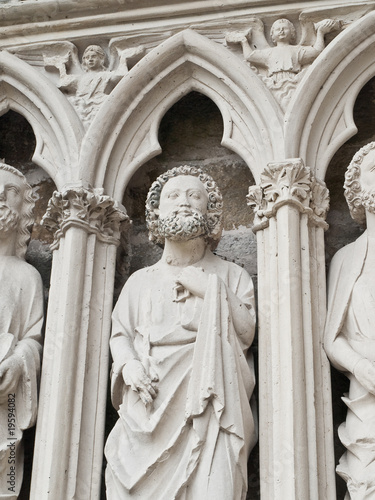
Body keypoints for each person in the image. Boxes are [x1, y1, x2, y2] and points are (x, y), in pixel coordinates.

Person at [105, 165, 256, 499]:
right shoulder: (140, 281)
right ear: (156, 213)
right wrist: (129, 366)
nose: (183, 202)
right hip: (148, 406)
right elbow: (120, 335)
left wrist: (212, 289)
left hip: (213, 409)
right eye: (173, 196)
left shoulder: (231, 276)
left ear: (210, 210)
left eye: (194, 195)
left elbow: (246, 334)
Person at [324, 142, 375, 499]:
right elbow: (332, 337)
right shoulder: (346, 258)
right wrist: (361, 367)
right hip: (367, 393)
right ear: (358, 187)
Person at [0, 163, 43, 500]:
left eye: (10, 191)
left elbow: (35, 337)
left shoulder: (26, 276)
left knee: (7, 480)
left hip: (6, 399)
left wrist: (18, 362)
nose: (0, 196)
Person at [238, 18, 336, 84]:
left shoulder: (297, 50)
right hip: (274, 81)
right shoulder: (269, 52)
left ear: (292, 33)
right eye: (277, 29)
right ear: (272, 36)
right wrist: (244, 41)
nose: (281, 31)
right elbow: (250, 56)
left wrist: (320, 33)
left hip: (293, 81)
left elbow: (317, 52)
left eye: (285, 28)